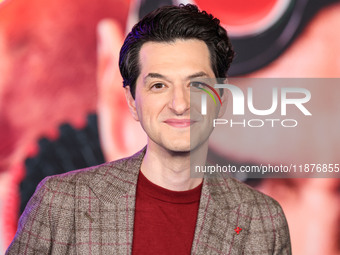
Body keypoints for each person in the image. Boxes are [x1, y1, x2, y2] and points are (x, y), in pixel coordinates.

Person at [6, 4, 291, 254]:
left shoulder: (262, 218)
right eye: (159, 85)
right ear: (130, 101)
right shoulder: (61, 203)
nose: (180, 104)